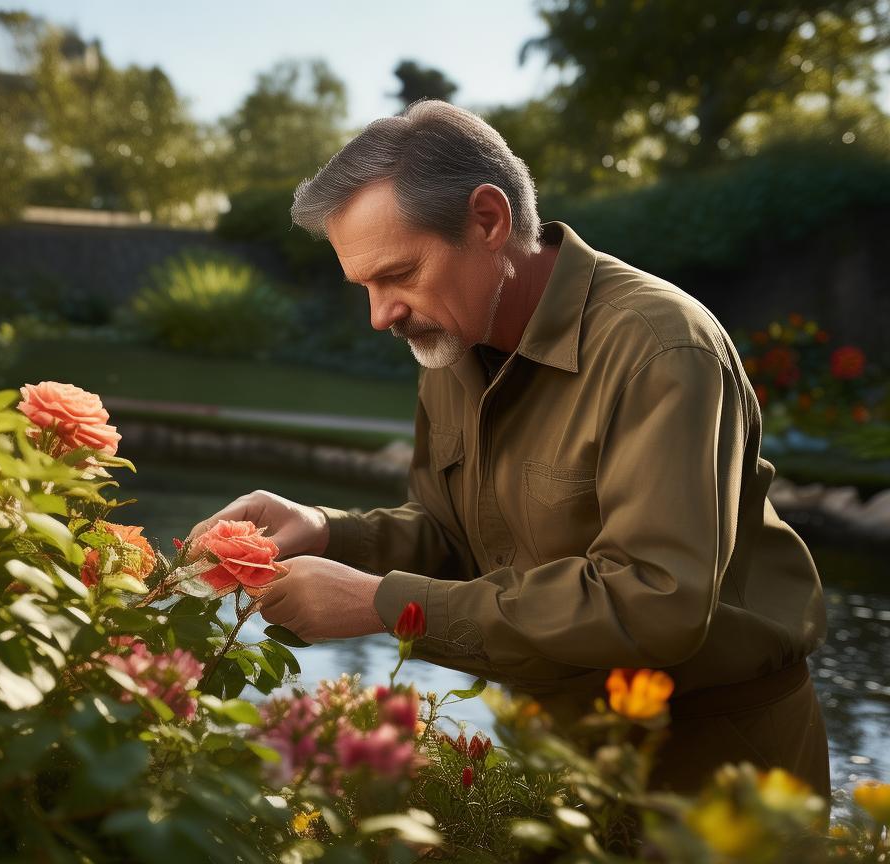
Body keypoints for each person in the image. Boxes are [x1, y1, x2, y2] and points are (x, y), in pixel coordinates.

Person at [188, 100, 830, 797]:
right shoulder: (452, 343)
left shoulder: (659, 347)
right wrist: (323, 531)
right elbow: (450, 536)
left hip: (712, 769)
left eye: (398, 274)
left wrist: (385, 604)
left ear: (488, 221)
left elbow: (653, 602)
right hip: (557, 748)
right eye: (365, 287)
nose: (381, 315)